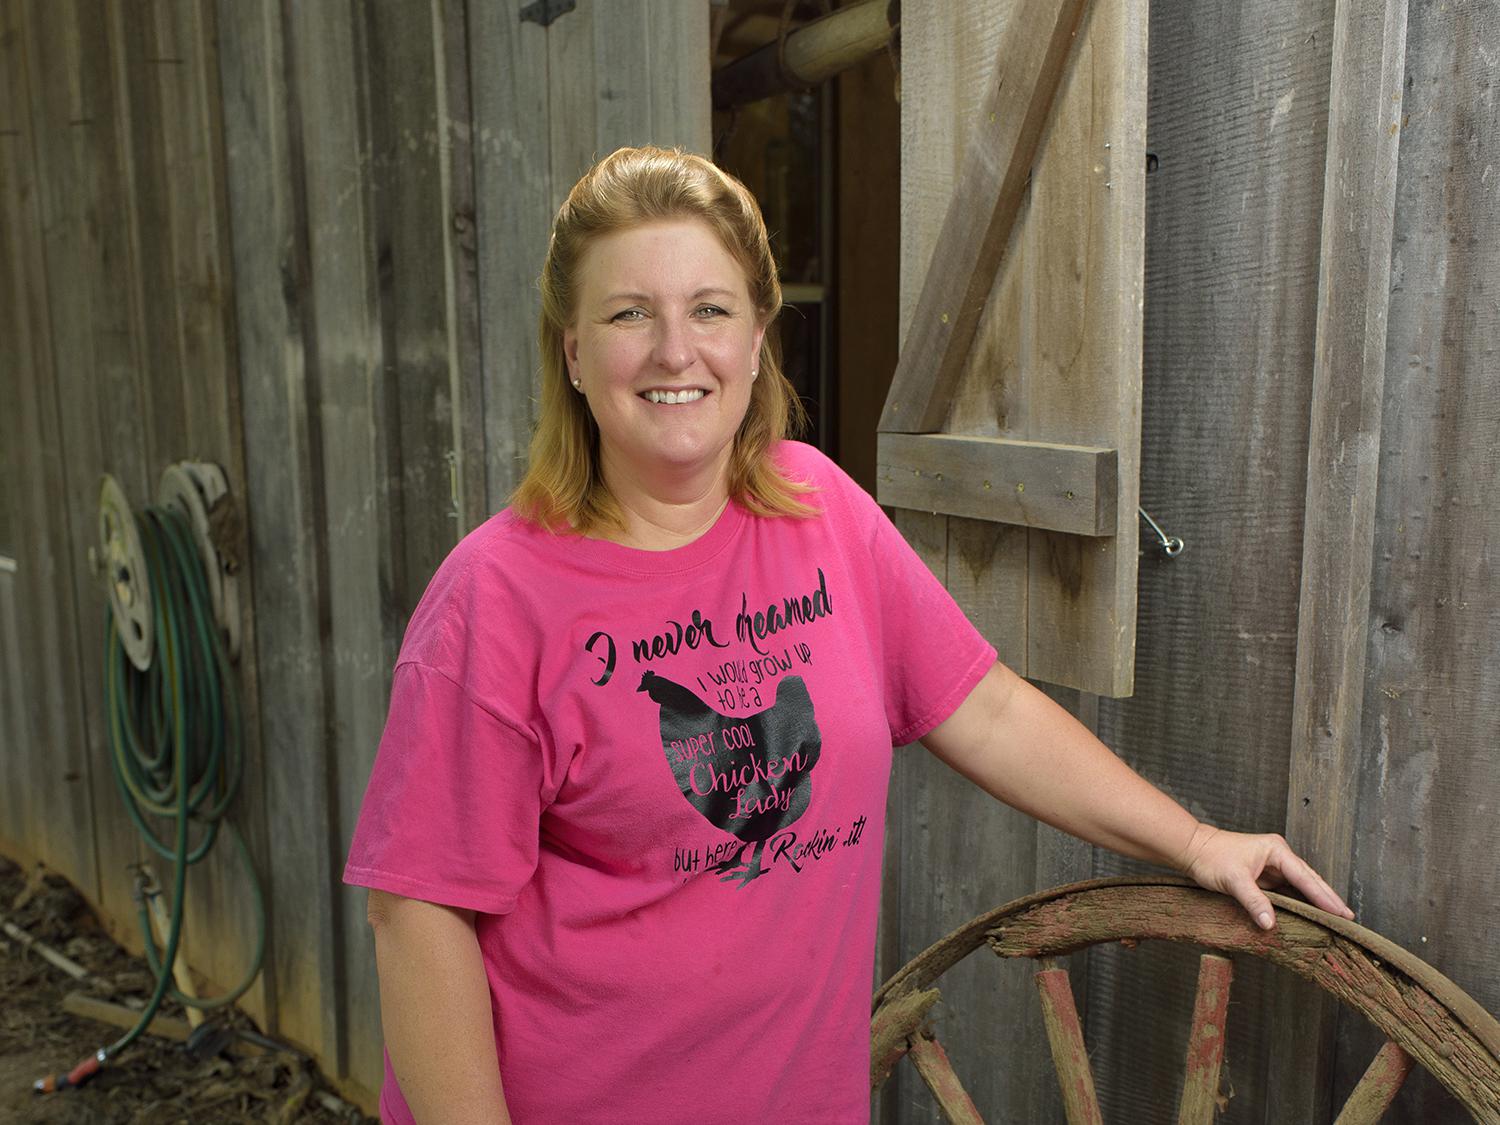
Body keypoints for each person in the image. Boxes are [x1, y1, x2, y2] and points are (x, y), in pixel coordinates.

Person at [343, 145, 1352, 1125]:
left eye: (709, 310)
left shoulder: (816, 509)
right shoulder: (497, 596)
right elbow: (419, 915)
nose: (673, 351)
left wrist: (1192, 839)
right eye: (627, 315)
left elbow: (984, 706)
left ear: (754, 338)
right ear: (571, 349)